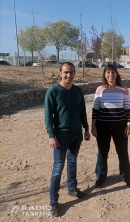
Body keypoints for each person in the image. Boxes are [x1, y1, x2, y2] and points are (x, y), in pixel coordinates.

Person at [44, 62, 90, 217]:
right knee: (58, 167)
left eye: (71, 72)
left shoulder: (78, 91)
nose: (69, 75)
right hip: (60, 136)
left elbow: (82, 110)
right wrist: (51, 135)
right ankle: (54, 201)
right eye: (66, 72)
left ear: (75, 73)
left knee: (72, 162)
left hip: (76, 134)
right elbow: (47, 116)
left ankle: (72, 189)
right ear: (60, 73)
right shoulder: (53, 91)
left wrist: (86, 129)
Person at [91, 63, 130, 188]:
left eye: (113, 72)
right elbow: (95, 109)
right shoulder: (100, 90)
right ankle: (100, 177)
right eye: (108, 72)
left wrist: (128, 124)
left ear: (117, 74)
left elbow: (127, 108)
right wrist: (93, 126)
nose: (111, 75)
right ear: (105, 74)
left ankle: (126, 175)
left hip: (119, 126)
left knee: (122, 151)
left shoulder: (123, 89)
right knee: (102, 151)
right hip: (102, 125)